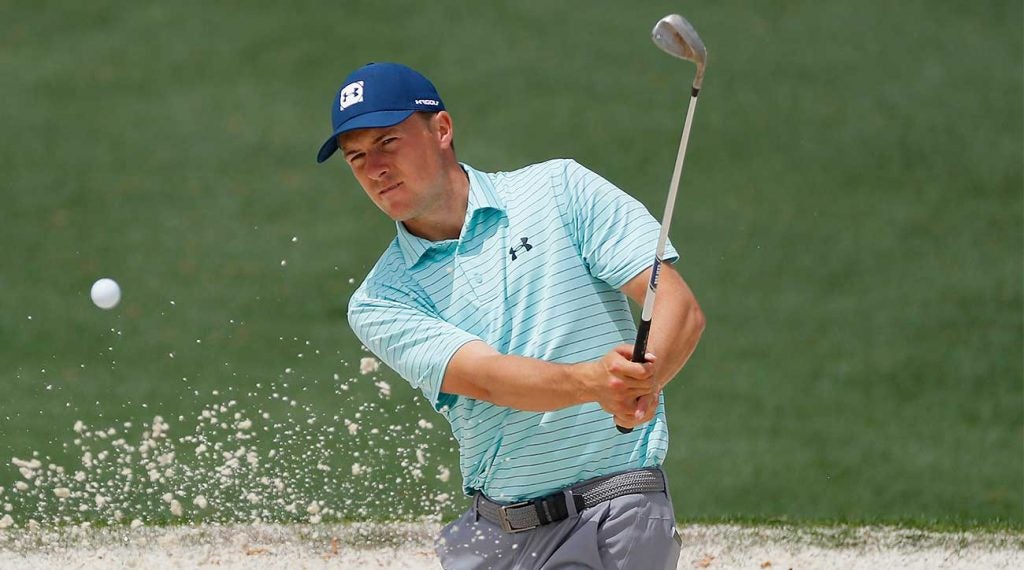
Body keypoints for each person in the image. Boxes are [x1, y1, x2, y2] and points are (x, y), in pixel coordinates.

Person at [316, 62, 705, 570]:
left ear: (442, 129)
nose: (375, 168)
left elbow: (678, 305)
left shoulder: (559, 190)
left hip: (613, 511)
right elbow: (489, 379)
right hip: (493, 532)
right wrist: (597, 384)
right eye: (357, 157)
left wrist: (645, 377)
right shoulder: (380, 300)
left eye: (387, 142)